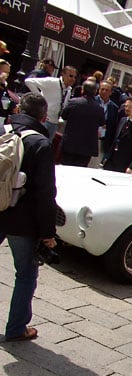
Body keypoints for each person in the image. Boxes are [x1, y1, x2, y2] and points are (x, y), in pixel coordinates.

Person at [0, 93, 57, 342]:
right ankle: (16, 328)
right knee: (25, 274)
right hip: (22, 220)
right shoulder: (41, 144)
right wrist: (48, 233)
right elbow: (45, 193)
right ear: (43, 116)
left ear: (19, 108)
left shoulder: (4, 129)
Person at [59, 79, 105, 167]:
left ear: (82, 90)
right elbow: (101, 123)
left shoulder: (73, 102)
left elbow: (64, 116)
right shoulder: (99, 108)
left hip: (70, 143)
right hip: (87, 147)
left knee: (65, 168)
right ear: (95, 92)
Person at [24, 64, 76, 139]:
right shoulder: (52, 82)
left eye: (74, 77)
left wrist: (60, 118)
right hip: (44, 120)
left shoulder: (69, 90)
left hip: (55, 123)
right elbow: (29, 81)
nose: (73, 79)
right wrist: (40, 99)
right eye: (70, 76)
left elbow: (62, 105)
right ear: (63, 74)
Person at [102, 96, 132, 173]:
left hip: (125, 164)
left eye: (130, 107)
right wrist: (107, 157)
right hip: (111, 161)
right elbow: (116, 139)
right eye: (126, 106)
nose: (127, 109)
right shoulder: (122, 120)